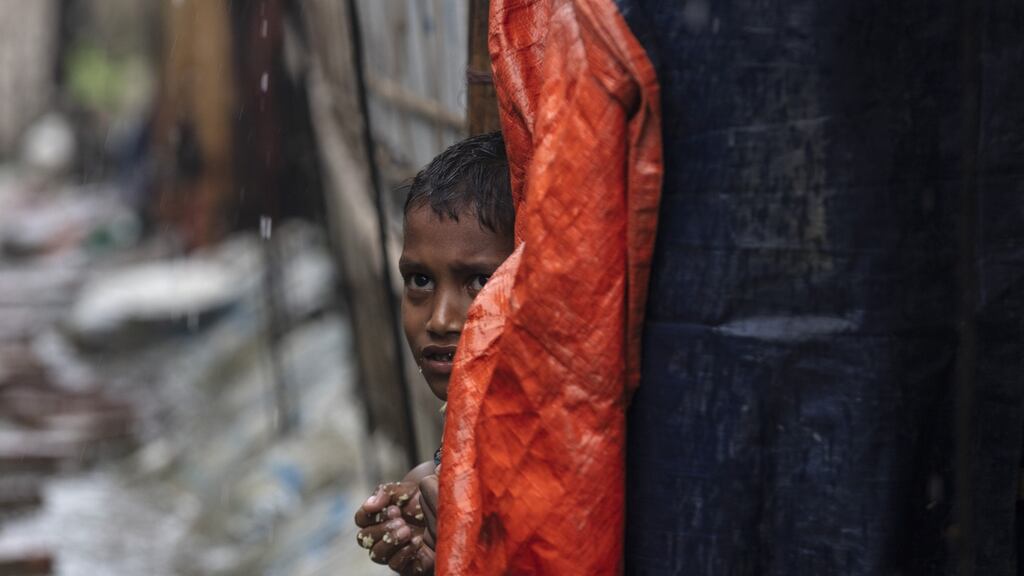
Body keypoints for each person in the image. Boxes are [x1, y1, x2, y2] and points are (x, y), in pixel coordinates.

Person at [354, 131, 515, 575]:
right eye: (420, 280)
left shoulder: (568, 452)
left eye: (480, 282)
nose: (441, 320)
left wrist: (471, 550)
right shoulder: (454, 457)